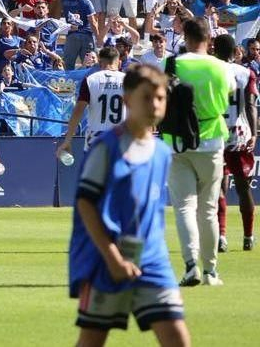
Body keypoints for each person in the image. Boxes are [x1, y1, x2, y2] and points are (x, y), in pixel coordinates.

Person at [69, 64, 190, 347]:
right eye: (145, 97)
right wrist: (113, 258)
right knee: (92, 340)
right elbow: (86, 204)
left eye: (160, 98)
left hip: (151, 260)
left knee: (177, 338)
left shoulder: (162, 151)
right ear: (127, 101)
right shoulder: (106, 148)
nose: (154, 104)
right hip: (107, 260)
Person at [162, 19, 233, 286]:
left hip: (176, 142)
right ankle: (210, 270)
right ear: (209, 39)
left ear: (186, 37)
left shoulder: (171, 64)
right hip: (212, 140)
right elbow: (230, 92)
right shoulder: (222, 66)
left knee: (184, 207)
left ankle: (191, 265)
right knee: (208, 209)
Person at [213, 36, 257, 253]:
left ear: (214, 50)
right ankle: (248, 236)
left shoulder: (208, 70)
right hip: (239, 132)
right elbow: (250, 105)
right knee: (243, 188)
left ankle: (221, 236)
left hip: (213, 133)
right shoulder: (245, 72)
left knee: (218, 187)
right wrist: (254, 132)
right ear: (235, 51)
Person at [59, 47, 128, 160]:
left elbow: (78, 111)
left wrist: (67, 140)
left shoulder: (90, 80)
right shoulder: (129, 80)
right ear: (119, 62)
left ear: (100, 62)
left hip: (96, 140)